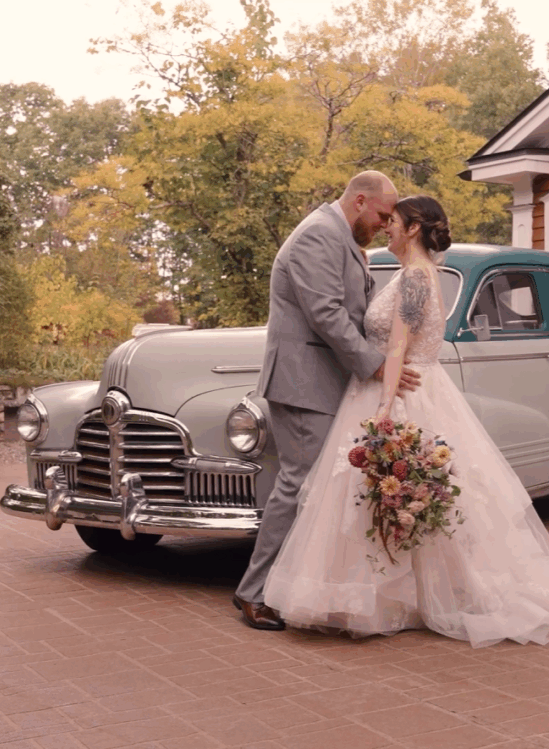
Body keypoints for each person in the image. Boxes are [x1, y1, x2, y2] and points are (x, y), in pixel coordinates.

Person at [264, 195, 549, 647]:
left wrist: (384, 409)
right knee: (383, 496)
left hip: (401, 391)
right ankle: (395, 595)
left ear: (413, 228)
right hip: (390, 384)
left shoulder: (416, 277)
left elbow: (398, 346)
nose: (387, 228)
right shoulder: (409, 273)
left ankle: (403, 597)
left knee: (399, 490)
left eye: (393, 221)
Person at [233, 171, 420, 630]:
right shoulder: (317, 235)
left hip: (325, 381)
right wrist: (377, 365)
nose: (384, 224)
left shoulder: (342, 237)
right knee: (298, 485)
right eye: (381, 215)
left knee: (314, 488)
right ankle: (253, 592)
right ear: (360, 201)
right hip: (303, 382)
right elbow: (326, 313)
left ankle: (292, 588)